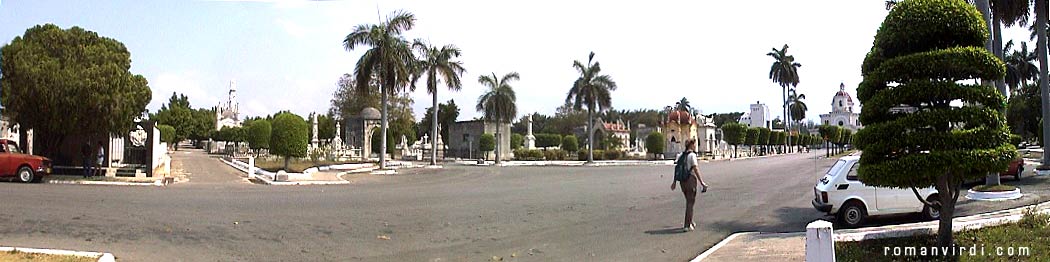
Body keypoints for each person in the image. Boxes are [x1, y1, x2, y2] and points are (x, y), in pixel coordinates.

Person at [670, 138, 709, 232]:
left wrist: (674, 182)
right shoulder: (692, 156)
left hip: (682, 182)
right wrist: (702, 182)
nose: (695, 146)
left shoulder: (680, 155)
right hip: (690, 180)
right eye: (695, 144)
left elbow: (677, 169)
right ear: (691, 145)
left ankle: (690, 221)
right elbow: (695, 169)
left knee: (688, 201)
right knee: (690, 203)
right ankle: (687, 225)